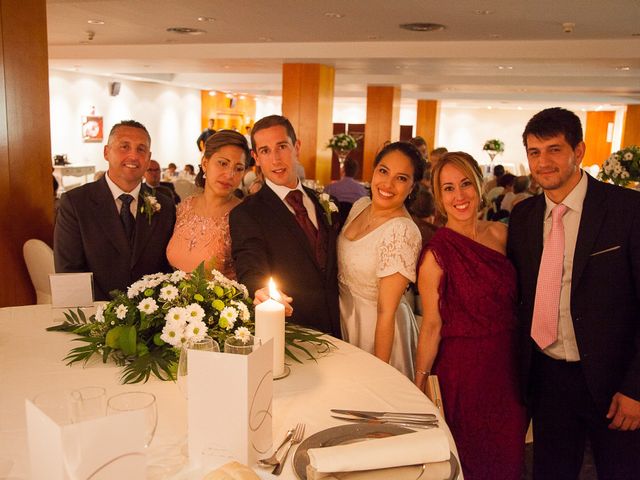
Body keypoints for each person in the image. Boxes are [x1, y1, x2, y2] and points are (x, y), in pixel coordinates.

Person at [508, 107, 640, 479]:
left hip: (613, 382)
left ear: (578, 151)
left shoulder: (626, 210)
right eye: (534, 152)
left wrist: (636, 388)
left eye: (554, 149)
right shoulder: (524, 216)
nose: (543, 162)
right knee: (551, 472)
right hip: (547, 377)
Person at [414, 151, 526, 479]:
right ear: (439, 196)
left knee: (509, 457)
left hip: (508, 369)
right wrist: (419, 382)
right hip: (463, 374)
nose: (458, 195)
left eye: (465, 184)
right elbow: (432, 325)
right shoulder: (436, 255)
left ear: (479, 185)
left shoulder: (502, 235)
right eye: (448, 188)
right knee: (471, 460)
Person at [229, 115, 341, 337]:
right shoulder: (246, 214)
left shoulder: (324, 202)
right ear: (256, 158)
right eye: (265, 151)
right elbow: (250, 268)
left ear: (296, 147)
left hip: (338, 325)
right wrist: (259, 290)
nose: (275, 159)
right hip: (292, 331)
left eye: (282, 146)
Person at [54, 120, 176, 301]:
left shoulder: (164, 206)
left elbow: (168, 268)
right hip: (96, 317)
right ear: (106, 152)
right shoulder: (76, 203)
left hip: (152, 319)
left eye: (141, 149)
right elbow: (69, 271)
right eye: (124, 146)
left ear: (148, 158)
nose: (133, 156)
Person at [338, 142, 423, 378]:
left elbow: (387, 311)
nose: (387, 184)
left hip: (378, 334)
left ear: (412, 186)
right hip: (346, 320)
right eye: (383, 171)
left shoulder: (402, 232)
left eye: (401, 178)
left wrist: (379, 374)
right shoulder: (360, 206)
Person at [166, 130, 248, 278]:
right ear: (205, 163)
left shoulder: (243, 215)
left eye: (238, 168)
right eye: (223, 163)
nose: (230, 175)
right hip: (170, 295)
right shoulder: (185, 206)